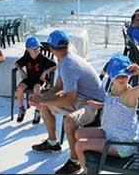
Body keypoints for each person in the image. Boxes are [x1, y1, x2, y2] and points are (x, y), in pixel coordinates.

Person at [27, 30, 106, 174]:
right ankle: (53, 143)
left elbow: (69, 98)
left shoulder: (69, 64)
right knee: (44, 105)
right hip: (81, 99)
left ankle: (75, 162)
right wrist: (42, 99)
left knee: (69, 121)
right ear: (67, 44)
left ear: (50, 49)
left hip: (94, 105)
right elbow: (58, 87)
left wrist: (42, 99)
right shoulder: (64, 59)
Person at [74, 55, 139, 173]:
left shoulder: (129, 95)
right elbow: (114, 105)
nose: (122, 78)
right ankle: (91, 164)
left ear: (130, 75)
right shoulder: (113, 89)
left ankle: (87, 171)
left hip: (121, 144)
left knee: (80, 145)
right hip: (110, 132)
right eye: (118, 75)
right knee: (78, 133)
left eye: (125, 75)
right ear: (110, 76)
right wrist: (98, 105)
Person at [14, 37, 57, 123]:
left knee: (37, 88)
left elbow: (55, 65)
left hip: (40, 81)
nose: (37, 49)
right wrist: (21, 71)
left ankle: (37, 111)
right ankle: (21, 109)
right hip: (29, 79)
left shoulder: (42, 58)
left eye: (38, 47)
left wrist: (45, 72)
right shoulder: (26, 57)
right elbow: (17, 63)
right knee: (19, 88)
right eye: (34, 48)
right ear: (28, 49)